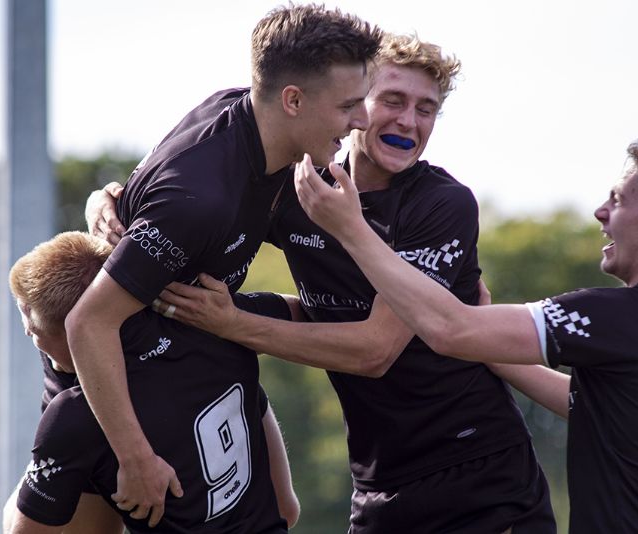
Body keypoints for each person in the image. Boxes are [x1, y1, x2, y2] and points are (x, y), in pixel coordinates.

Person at [90, 33, 556, 533]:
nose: (409, 122)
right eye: (393, 101)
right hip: (378, 485)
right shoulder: (295, 182)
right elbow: (188, 194)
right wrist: (104, 200)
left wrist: (233, 323)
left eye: (427, 109)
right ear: (352, 105)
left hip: (479, 476)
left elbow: (374, 351)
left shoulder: (442, 205)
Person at [295, 129, 638, 532]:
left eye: (618, 200)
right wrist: (495, 350)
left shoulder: (621, 317)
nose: (601, 212)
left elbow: (449, 329)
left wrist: (351, 229)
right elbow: (618, 412)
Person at [65, 3, 381, 527]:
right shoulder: (201, 199)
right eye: (350, 105)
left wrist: (103, 199)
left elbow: (137, 203)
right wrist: (135, 457)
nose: (362, 121)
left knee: (283, 511)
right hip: (129, 392)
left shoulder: (240, 112)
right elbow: (89, 321)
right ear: (294, 100)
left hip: (200, 355)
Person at [2, 231, 299, 533]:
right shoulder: (211, 319)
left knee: (11, 511)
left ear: (75, 333)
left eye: (35, 333)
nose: (30, 337)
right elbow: (286, 508)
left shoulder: (74, 414)